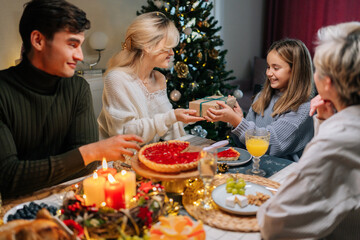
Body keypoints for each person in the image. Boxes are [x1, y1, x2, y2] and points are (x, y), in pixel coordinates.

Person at [0, 0, 142, 199]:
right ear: (38, 40)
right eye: (72, 44)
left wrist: (83, 157)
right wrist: (88, 153)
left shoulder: (77, 88)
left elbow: (87, 167)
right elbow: (8, 179)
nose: (80, 56)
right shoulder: (3, 91)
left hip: (67, 199)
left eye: (80, 45)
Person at [257, 22, 360, 239]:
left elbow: (274, 224)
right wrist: (324, 120)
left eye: (317, 70)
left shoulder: (337, 142)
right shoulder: (340, 126)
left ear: (327, 83)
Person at [97, 12, 204, 144]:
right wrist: (172, 116)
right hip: (119, 160)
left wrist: (190, 116)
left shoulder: (159, 78)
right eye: (167, 47)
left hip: (151, 156)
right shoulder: (117, 79)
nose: (172, 53)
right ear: (147, 46)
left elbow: (166, 128)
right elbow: (125, 134)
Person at [205, 39, 314, 161]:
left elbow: (272, 144)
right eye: (268, 67)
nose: (268, 73)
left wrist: (238, 122)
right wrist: (238, 119)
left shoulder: (303, 108)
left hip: (284, 172)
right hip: (257, 166)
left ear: (295, 70)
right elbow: (245, 145)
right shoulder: (261, 97)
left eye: (276, 68)